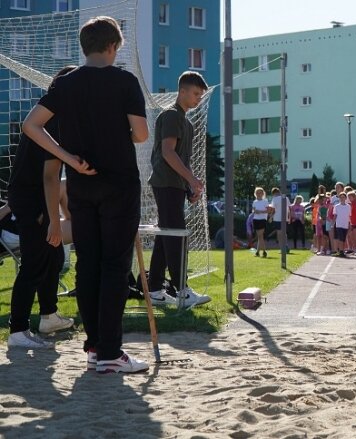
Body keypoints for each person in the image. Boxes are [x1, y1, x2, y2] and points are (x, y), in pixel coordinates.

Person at [23, 16, 150, 373]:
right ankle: (109, 351)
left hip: (81, 183)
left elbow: (30, 125)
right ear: (112, 47)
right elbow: (140, 134)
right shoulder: (125, 81)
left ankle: (95, 347)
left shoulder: (66, 83)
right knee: (114, 267)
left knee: (88, 264)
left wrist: (68, 159)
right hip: (118, 183)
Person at [6, 66, 77, 350]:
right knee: (35, 263)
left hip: (32, 196)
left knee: (52, 257)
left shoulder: (56, 117)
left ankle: (48, 316)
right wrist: (54, 220)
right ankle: (18, 329)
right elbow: (50, 177)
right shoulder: (52, 121)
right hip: (30, 199)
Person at [147, 71, 210, 308]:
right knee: (175, 237)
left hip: (175, 186)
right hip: (164, 184)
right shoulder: (171, 115)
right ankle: (182, 291)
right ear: (182, 91)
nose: (198, 99)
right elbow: (167, 152)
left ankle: (154, 290)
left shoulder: (187, 122)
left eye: (200, 96)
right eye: (195, 94)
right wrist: (192, 180)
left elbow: (183, 159)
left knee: (166, 236)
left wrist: (189, 187)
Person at [251, 187, 270, 258]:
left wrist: (260, 212)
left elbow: (268, 211)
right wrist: (255, 211)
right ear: (255, 194)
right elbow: (253, 210)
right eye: (257, 193)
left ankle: (263, 251)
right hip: (256, 219)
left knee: (260, 235)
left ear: (263, 193)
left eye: (260, 192)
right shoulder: (254, 202)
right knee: (260, 236)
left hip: (262, 219)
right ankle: (259, 252)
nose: (258, 194)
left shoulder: (265, 201)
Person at [332, 192, 351, 257]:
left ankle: (342, 251)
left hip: (345, 224)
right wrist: (332, 224)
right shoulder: (336, 206)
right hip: (338, 224)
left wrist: (350, 224)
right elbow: (335, 216)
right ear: (339, 198)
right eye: (341, 197)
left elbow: (349, 216)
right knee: (340, 238)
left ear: (345, 198)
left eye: (343, 197)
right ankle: (341, 251)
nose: (342, 198)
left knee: (343, 238)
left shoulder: (348, 206)